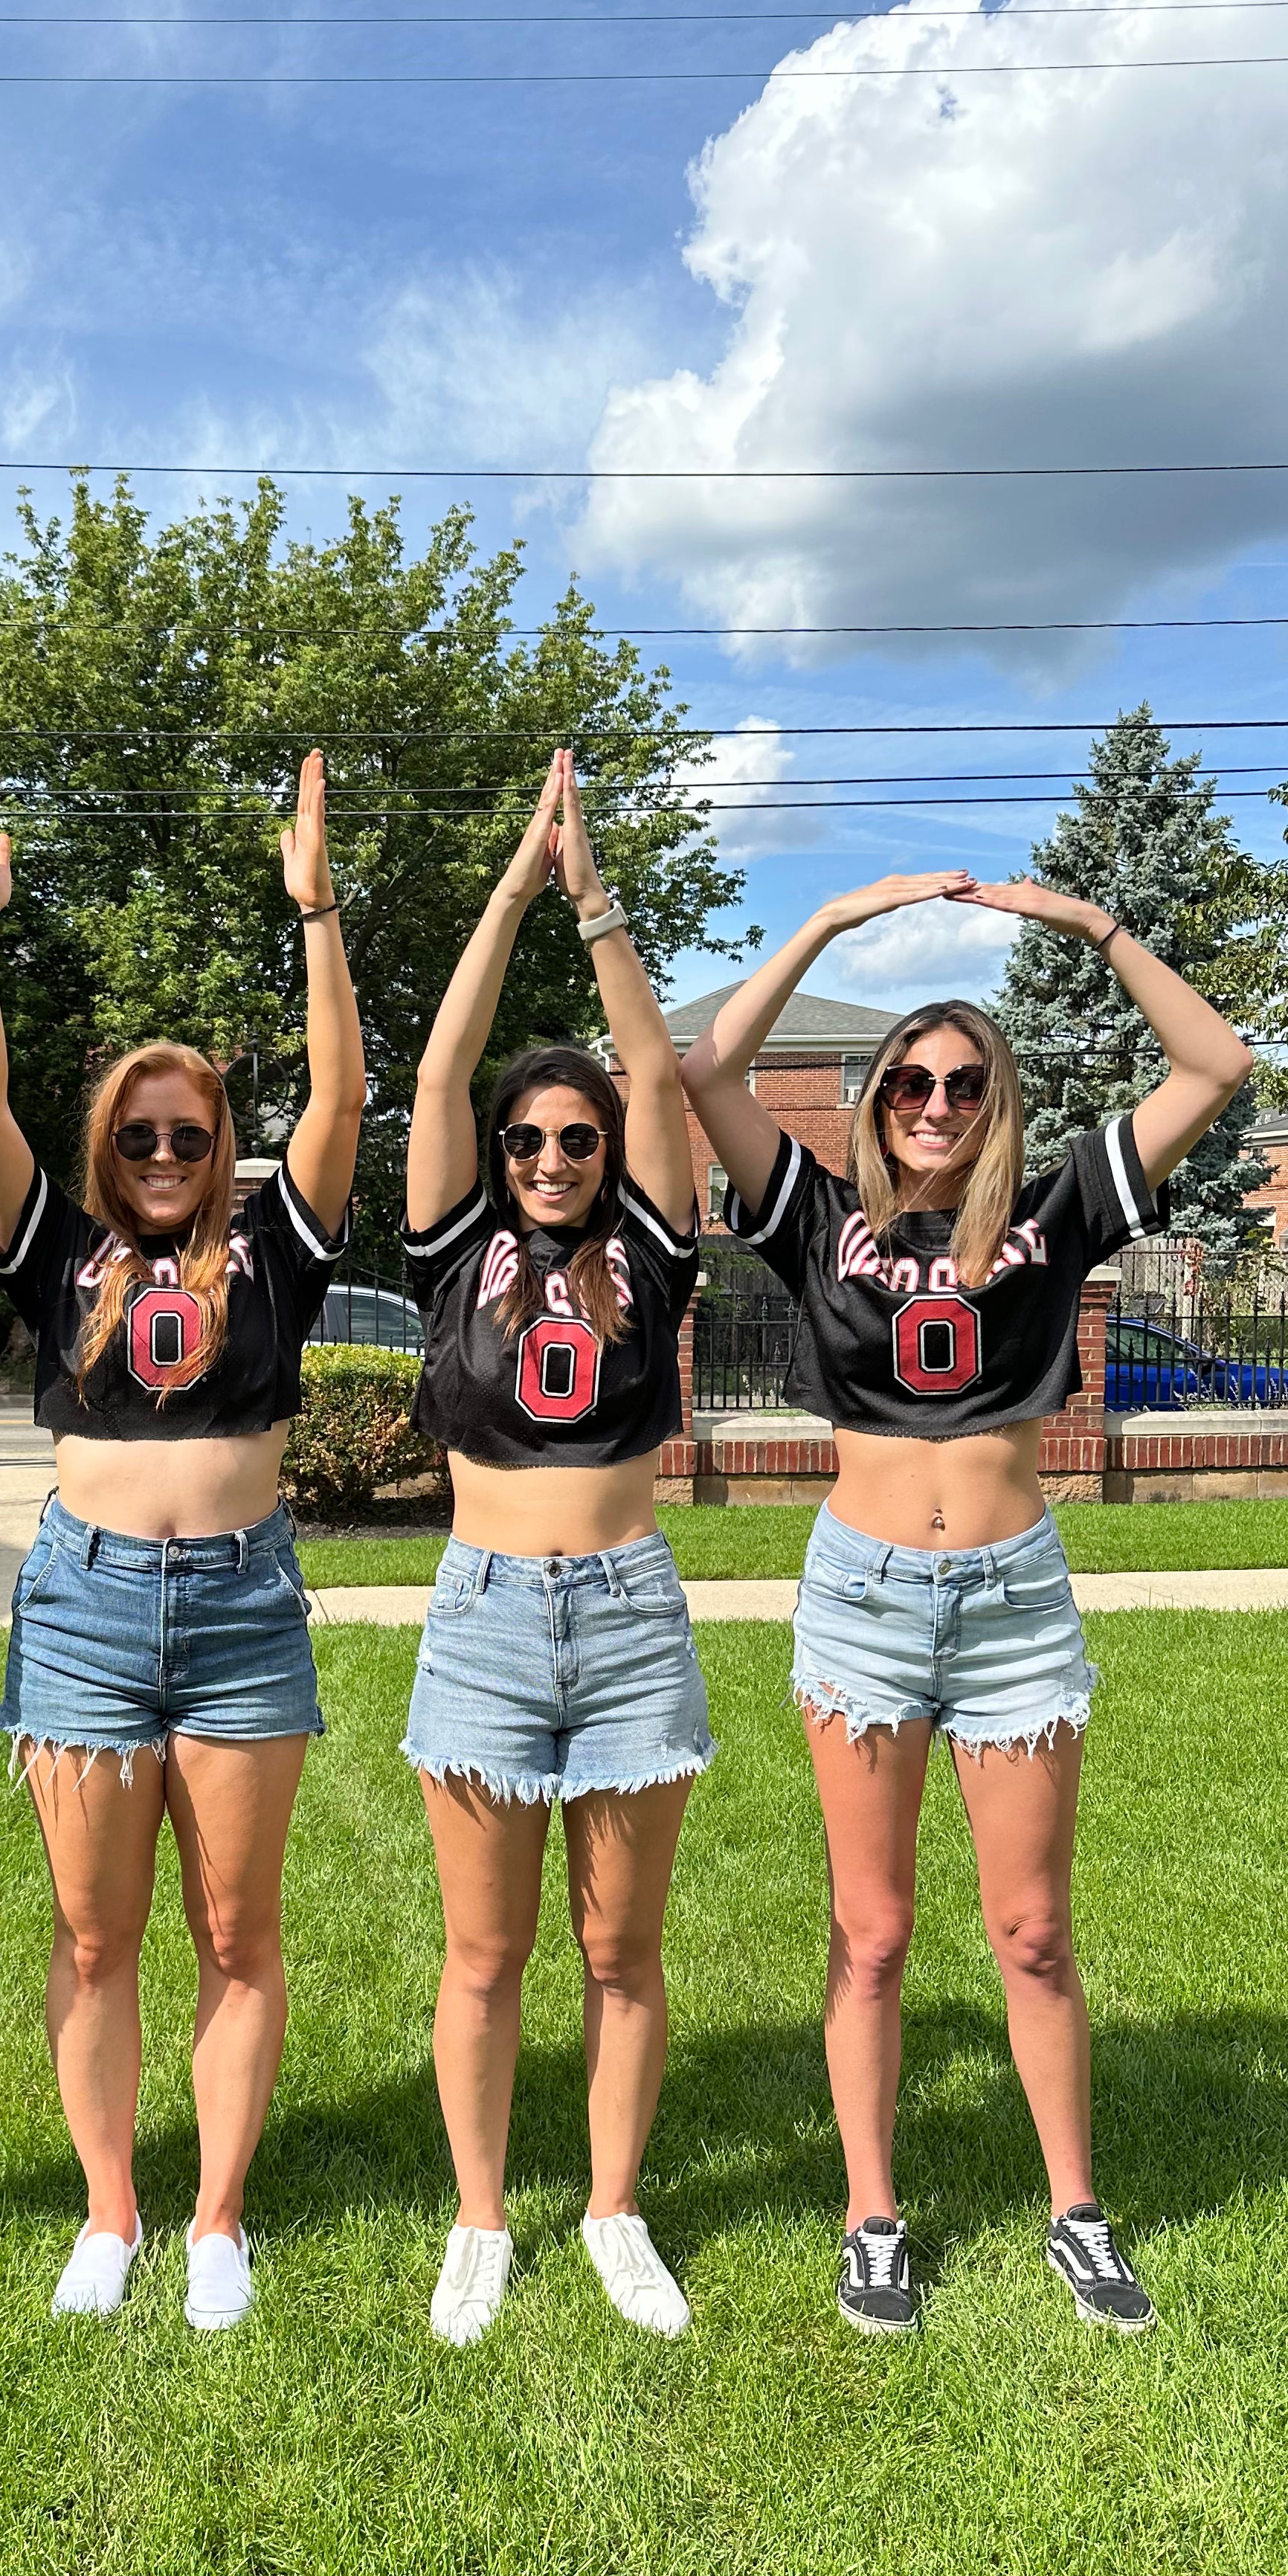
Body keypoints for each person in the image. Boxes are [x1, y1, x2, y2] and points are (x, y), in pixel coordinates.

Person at [679, 873, 1255, 2335]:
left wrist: (1096, 930)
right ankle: (872, 2215)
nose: (934, 1102)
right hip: (863, 1597)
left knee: (1034, 1933)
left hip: (1013, 1598)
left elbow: (1219, 1065)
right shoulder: (815, 1217)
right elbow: (705, 1069)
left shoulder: (1054, 1216)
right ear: (876, 1103)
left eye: (962, 1082)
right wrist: (830, 924)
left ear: (992, 1101)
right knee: (871, 1934)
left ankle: (1077, 2210)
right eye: (910, 1082)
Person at [0, 750, 364, 2331]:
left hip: (247, 1603)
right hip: (85, 1606)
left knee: (238, 1930)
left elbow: (343, 1097)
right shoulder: (58, 1250)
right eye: (142, 1141)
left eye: (190, 1137)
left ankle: (216, 2219)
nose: (169, 1159)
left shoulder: (277, 1252)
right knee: (92, 1926)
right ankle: (111, 2211)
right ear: (109, 1152)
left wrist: (316, 908)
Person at [402, 749, 711, 2348]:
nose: (547, 1160)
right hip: (483, 1611)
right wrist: (512, 886)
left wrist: (595, 900)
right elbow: (442, 1071)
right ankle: (478, 2217)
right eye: (529, 1141)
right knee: (485, 1947)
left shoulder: (648, 1251)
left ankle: (611, 2207)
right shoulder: (461, 1243)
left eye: (571, 1141)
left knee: (622, 1944)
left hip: (631, 1608)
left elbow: (659, 1082)